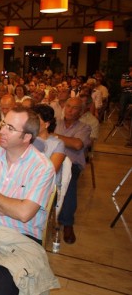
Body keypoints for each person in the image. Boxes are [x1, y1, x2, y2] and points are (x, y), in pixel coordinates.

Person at [0, 107, 55, 295]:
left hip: (20, 238)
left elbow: (24, 215)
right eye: (4, 124)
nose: (3, 131)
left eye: (11, 128)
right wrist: (15, 205)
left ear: (26, 138)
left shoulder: (42, 167)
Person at [54, 97, 91, 244]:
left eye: (74, 107)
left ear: (81, 112)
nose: (69, 110)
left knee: (68, 182)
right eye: (68, 106)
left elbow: (77, 144)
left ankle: (67, 223)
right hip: (51, 161)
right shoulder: (55, 122)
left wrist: (54, 136)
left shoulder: (84, 127)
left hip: (72, 165)